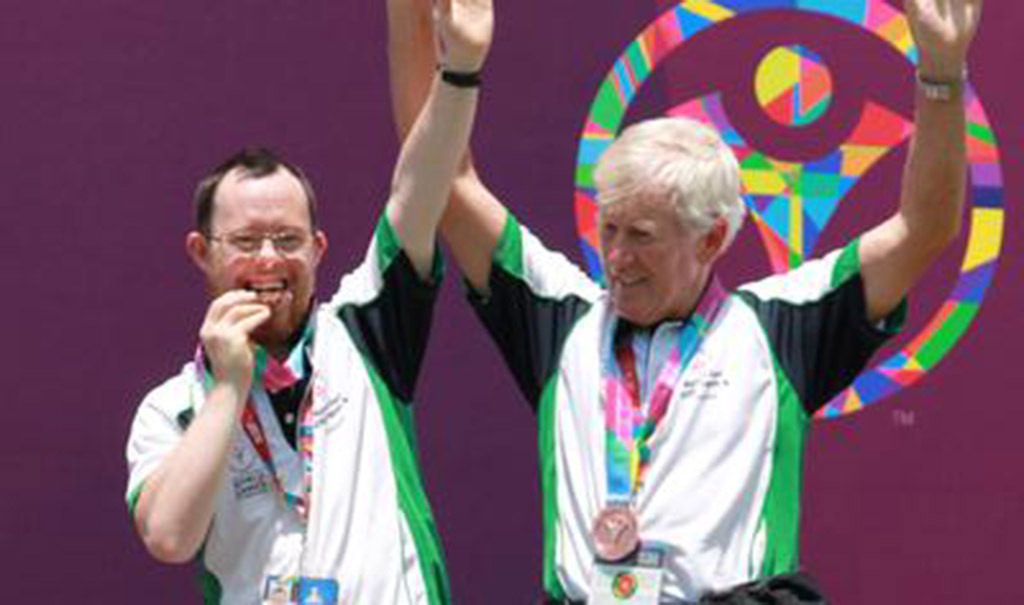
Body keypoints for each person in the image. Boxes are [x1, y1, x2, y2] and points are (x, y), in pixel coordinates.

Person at [388, 0, 981, 601]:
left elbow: (923, 229)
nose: (616, 258)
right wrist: (412, 19)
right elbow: (442, 180)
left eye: (641, 237)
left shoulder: (781, 326)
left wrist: (940, 73)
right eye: (609, 229)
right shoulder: (559, 316)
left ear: (712, 238)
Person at [124, 0, 493, 602]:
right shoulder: (171, 409)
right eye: (244, 241)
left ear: (319, 249)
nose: (269, 259)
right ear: (201, 252)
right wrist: (228, 389)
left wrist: (460, 72)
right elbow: (168, 536)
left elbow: (423, 184)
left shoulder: (366, 333)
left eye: (289, 240)